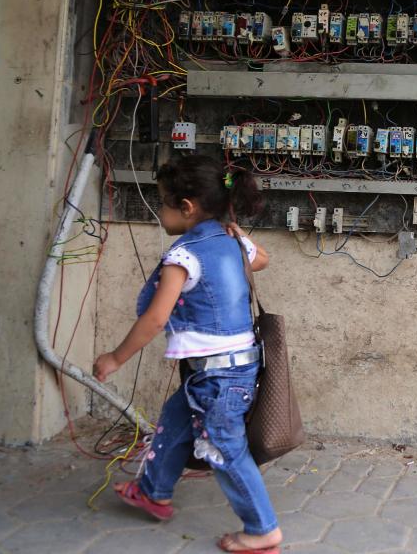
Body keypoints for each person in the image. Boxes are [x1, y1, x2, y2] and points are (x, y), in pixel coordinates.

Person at [93, 155, 282, 554]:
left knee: (226, 449)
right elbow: (262, 259)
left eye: (162, 202)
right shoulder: (231, 239)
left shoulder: (184, 255)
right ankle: (152, 490)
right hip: (228, 370)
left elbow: (155, 318)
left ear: (187, 207)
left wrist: (115, 357)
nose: (159, 210)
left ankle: (263, 529)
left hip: (217, 378)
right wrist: (239, 233)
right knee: (176, 419)